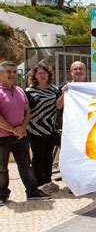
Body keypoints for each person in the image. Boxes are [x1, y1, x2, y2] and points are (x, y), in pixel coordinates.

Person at [0, 61, 51, 206]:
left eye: (14, 72)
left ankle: (32, 192)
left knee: (25, 166)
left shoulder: (20, 91)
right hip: (2, 138)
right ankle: (2, 195)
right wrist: (13, 129)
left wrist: (22, 127)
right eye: (8, 72)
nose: (12, 75)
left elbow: (27, 111)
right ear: (1, 74)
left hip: (21, 136)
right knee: (2, 169)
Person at [24, 63, 63, 194]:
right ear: (34, 75)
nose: (42, 75)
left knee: (48, 156)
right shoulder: (29, 91)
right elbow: (26, 110)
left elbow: (58, 106)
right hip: (34, 129)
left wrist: (65, 92)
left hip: (50, 129)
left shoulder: (54, 89)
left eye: (44, 72)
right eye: (39, 73)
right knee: (38, 156)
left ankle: (48, 180)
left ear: (48, 74)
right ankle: (39, 183)